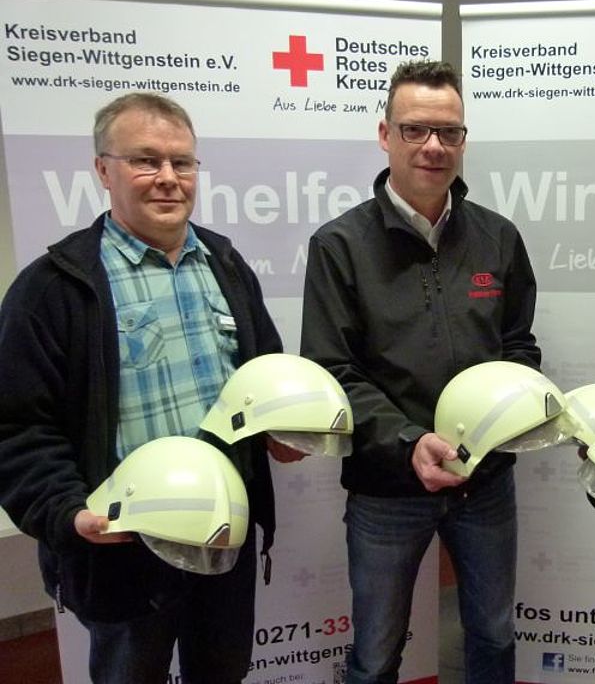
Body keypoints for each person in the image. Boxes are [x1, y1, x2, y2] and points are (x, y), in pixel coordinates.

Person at [0, 92, 300, 684]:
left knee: (223, 672)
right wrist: (67, 513)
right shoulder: (54, 288)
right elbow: (17, 426)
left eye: (181, 162)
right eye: (145, 160)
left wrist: (279, 429)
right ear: (103, 170)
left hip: (223, 534)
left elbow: (262, 376)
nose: (168, 177)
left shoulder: (226, 265)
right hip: (123, 548)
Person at [300, 60, 541, 684]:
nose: (434, 146)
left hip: (484, 482)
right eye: (415, 129)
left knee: (493, 633)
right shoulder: (340, 245)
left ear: (463, 140)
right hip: (387, 489)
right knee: (376, 653)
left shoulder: (498, 238)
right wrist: (408, 443)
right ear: (386, 135)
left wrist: (505, 418)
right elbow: (332, 370)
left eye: (448, 132)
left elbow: (519, 345)